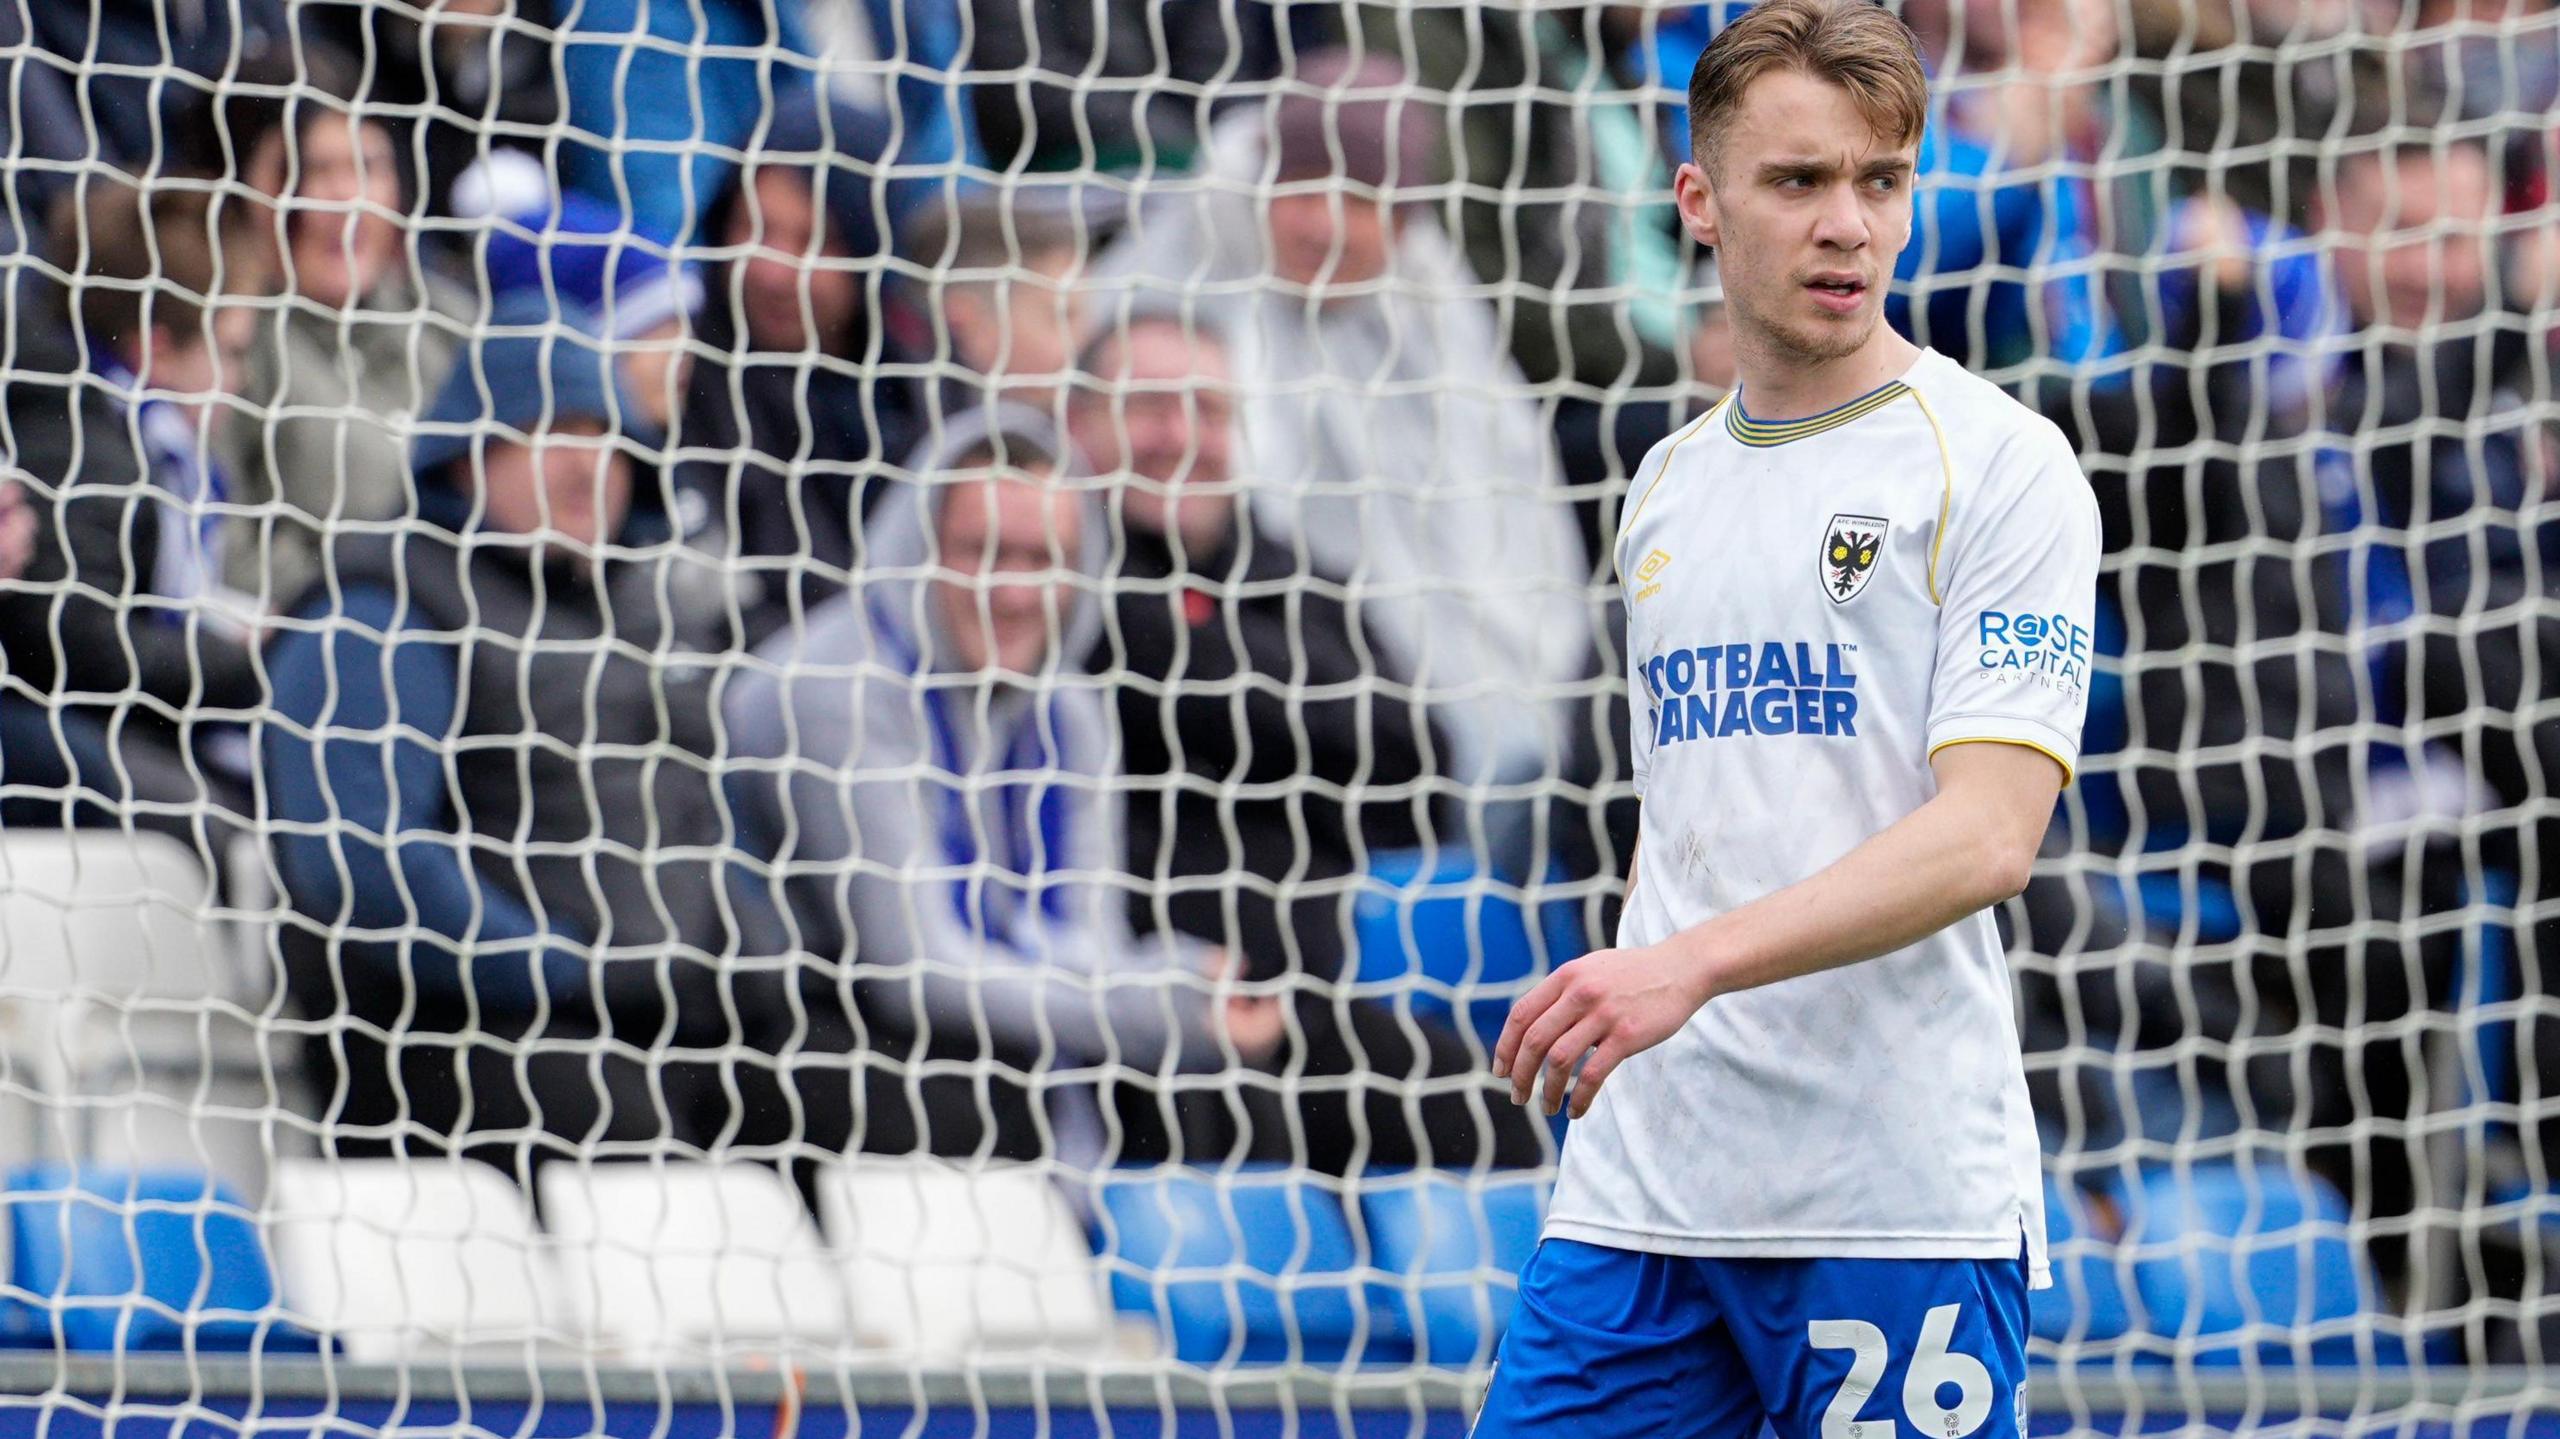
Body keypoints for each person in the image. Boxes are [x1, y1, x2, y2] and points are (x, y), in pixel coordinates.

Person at [1476, 2, 2100, 1432]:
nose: (1848, 225)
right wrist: (1648, 970)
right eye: (1799, 181)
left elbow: (1990, 838)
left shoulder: (1999, 465)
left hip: (1889, 1199)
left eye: (1879, 182)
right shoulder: (1666, 486)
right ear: (1697, 200)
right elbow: (1691, 817)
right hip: (1647, 1188)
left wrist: (1682, 964)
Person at [260, 310, 825, 1180]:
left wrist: (755, 960)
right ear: (464, 454)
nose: (583, 462)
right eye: (547, 431)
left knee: (878, 1106)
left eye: (603, 435)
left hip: (668, 1025)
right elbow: (360, 866)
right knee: (636, 1160)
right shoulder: (382, 607)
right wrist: (563, 969)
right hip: (466, 1044)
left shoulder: (643, 621)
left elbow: (714, 823)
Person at [724, 404, 1284, 1175]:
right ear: (922, 551)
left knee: (1228, 1089)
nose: (1014, 591)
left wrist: (1183, 985)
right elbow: (911, 970)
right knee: (991, 1101)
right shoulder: (834, 688)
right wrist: (1151, 1006)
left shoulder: (1070, 711)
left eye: (1040, 559)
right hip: (801, 1029)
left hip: (964, 1026)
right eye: (983, 553)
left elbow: (1087, 939)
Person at [1094, 49, 1599, 876]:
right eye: (1305, 186)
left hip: (1438, 731)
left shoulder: (1432, 324)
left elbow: (1513, 525)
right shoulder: (1172, 303)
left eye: (1360, 198)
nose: (1325, 223)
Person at [1071, 311, 1543, 1174]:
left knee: (1489, 1119)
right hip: (1133, 1011)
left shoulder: (1297, 580)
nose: (1183, 437)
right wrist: (1295, 719)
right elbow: (1128, 663)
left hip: (1309, 1000)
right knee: (1228, 1135)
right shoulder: (1051, 575)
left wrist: (1210, 691)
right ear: (1080, 426)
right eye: (1149, 406)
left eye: (1208, 411)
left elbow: (1419, 761)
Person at [0, 179, 272, 825]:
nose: (241, 380)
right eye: (231, 352)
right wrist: (249, 664)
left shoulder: (144, 446)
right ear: (157, 347)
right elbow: (77, 645)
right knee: (222, 828)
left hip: (117, 730)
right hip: (70, 735)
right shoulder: (88, 450)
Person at [214, 43, 470, 612]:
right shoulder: (232, 347)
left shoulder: (451, 319)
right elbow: (228, 546)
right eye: (313, 171)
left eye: (367, 167)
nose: (347, 200)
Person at [676, 88, 919, 647]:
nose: (773, 271)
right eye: (753, 230)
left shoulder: (930, 391)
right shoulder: (683, 388)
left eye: (815, 242)